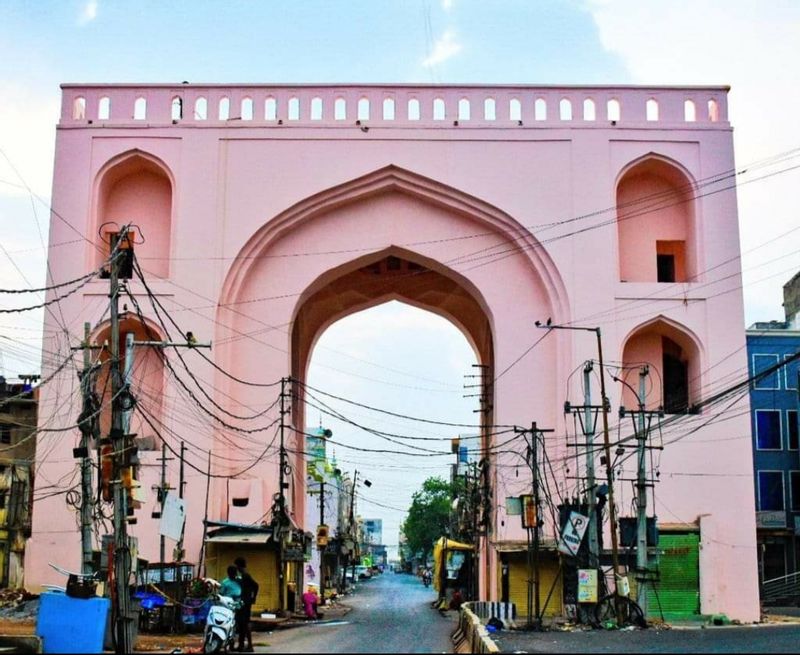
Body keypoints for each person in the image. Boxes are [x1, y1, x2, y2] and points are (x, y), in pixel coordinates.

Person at [234, 557, 258, 653]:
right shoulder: (243, 576)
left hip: (246, 603)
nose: (237, 568)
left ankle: (250, 646)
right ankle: (241, 645)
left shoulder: (246, 575)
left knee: (245, 623)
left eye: (237, 566)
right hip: (244, 602)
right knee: (241, 624)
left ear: (239, 566)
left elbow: (256, 585)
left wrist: (253, 597)